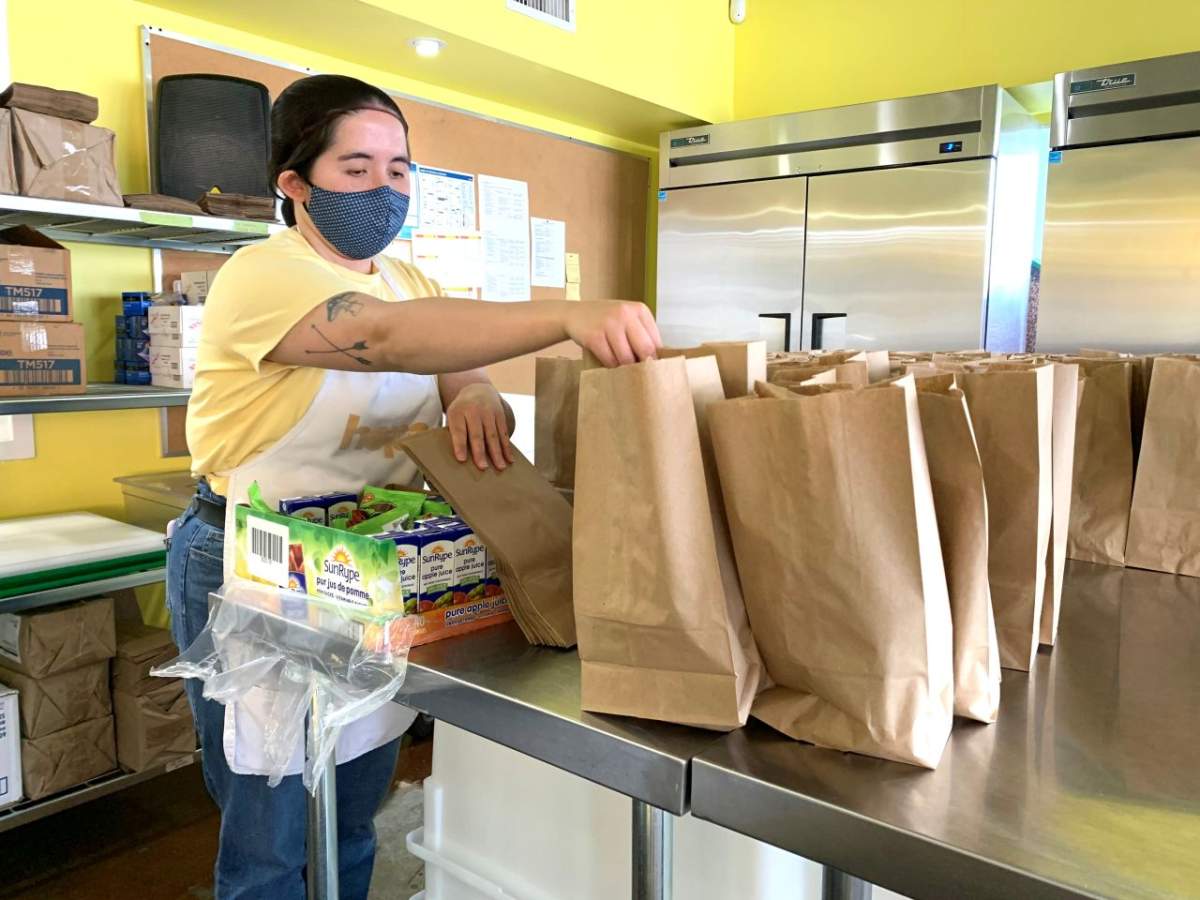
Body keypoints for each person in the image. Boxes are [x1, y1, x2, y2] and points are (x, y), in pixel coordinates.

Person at [166, 73, 660, 899]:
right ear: (295, 184)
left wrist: (476, 397)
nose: (384, 188)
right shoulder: (262, 274)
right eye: (355, 168)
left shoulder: (413, 279)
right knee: (271, 824)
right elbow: (384, 338)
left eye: (398, 169)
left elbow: (460, 372)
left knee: (357, 799)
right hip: (255, 565)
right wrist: (567, 314)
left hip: (370, 566)